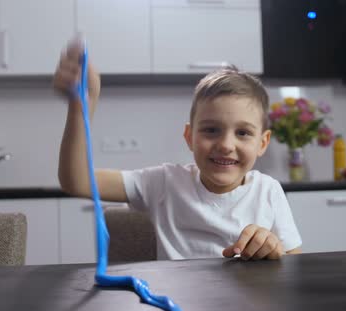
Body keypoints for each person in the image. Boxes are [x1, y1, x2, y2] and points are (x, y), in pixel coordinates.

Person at [53, 43, 302, 260]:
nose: (226, 145)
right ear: (189, 137)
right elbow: (78, 181)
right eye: (211, 130)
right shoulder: (163, 182)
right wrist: (81, 107)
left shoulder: (268, 191)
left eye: (243, 133)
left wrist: (272, 249)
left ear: (262, 142)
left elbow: (294, 264)